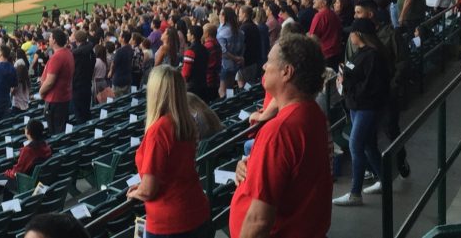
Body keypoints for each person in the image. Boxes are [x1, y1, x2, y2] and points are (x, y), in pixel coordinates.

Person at [230, 34, 332, 238]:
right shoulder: (312, 113)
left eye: (269, 62)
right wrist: (252, 167)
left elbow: (259, 222)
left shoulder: (280, 130)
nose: (264, 67)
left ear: (287, 72)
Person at [127, 65, 210, 238]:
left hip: (170, 224)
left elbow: (149, 190)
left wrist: (136, 192)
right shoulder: (185, 122)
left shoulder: (159, 130)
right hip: (197, 212)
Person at [332, 19, 393, 206]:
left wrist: (346, 84)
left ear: (358, 34)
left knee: (355, 144)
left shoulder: (373, 56)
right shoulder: (361, 53)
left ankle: (355, 194)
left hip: (367, 106)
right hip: (356, 105)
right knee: (367, 145)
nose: (349, 35)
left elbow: (370, 86)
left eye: (352, 32)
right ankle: (385, 181)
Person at [40, 29, 73, 135]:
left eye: (50, 37)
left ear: (54, 40)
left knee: (56, 132)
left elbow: (49, 82)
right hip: (63, 97)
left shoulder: (57, 57)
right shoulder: (68, 53)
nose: (48, 39)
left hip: (55, 100)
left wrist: (41, 92)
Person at [308, 0, 343, 68]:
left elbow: (313, 38)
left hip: (325, 55)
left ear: (324, 2)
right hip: (336, 53)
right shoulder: (334, 14)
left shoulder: (319, 16)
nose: (314, 1)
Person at [70, 30, 96, 122]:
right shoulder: (91, 50)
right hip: (87, 84)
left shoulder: (76, 54)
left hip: (78, 87)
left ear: (76, 40)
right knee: (86, 112)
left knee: (80, 115)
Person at [182, 24, 211, 101]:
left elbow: (185, 73)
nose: (186, 34)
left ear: (193, 36)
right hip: (203, 83)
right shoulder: (205, 49)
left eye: (188, 33)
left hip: (192, 87)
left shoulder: (190, 51)